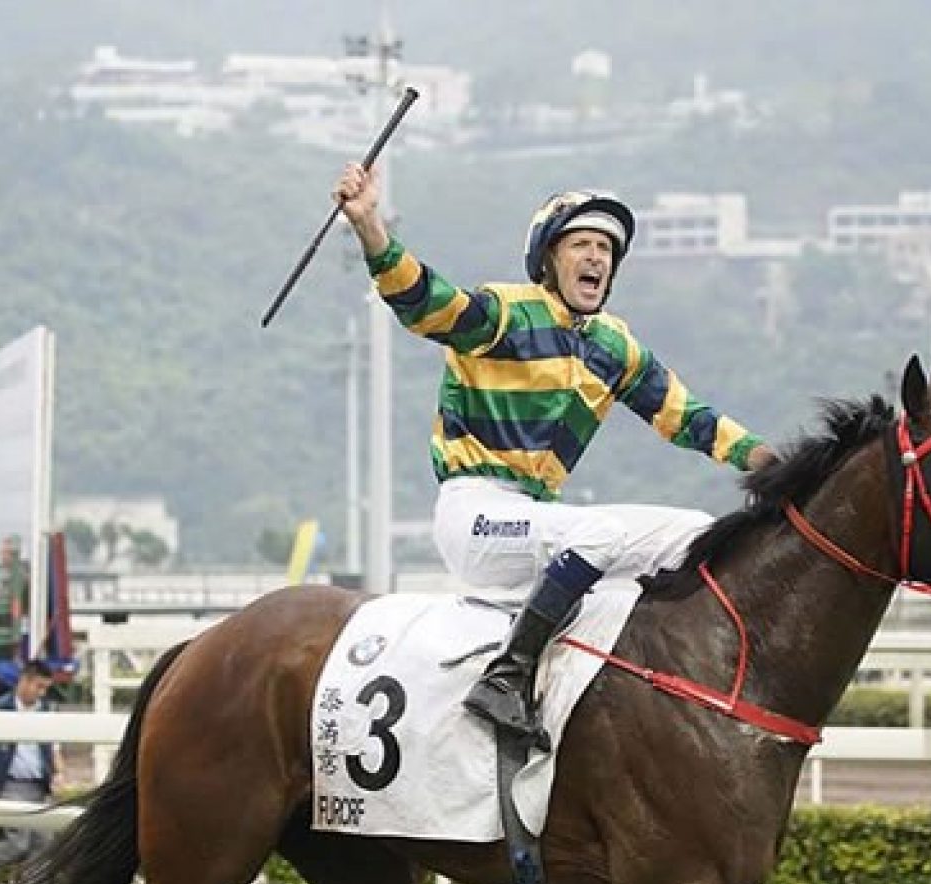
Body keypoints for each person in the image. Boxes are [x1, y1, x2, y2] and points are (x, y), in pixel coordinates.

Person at [333, 163, 777, 747]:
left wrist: (766, 460)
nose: (596, 258)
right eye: (582, 245)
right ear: (549, 259)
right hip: (477, 515)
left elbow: (685, 416)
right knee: (596, 534)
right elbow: (426, 302)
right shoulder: (507, 312)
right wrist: (370, 228)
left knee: (696, 534)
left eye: (605, 250)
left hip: (539, 519)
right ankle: (506, 679)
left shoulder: (615, 346)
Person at [0, 660, 63, 884]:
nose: (42, 693)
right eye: (39, 687)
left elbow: (54, 750)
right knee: (18, 842)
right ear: (25, 681)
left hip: (40, 785)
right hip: (11, 784)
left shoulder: (46, 712)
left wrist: (60, 774)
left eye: (45, 688)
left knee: (44, 843)